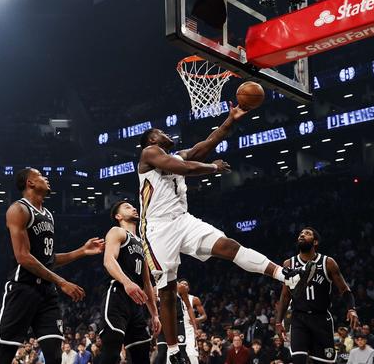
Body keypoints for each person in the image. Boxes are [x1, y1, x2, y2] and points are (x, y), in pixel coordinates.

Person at [137, 111, 305, 364]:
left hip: (183, 220)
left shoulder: (175, 154)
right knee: (168, 291)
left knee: (229, 246)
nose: (164, 133)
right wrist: (213, 167)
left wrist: (231, 119)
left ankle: (284, 275)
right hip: (157, 229)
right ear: (152, 140)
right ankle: (173, 351)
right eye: (159, 132)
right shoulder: (149, 153)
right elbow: (183, 168)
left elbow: (205, 144)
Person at [0, 168, 104, 364]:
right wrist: (61, 281)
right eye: (41, 176)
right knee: (5, 355)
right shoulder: (18, 210)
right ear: (30, 182)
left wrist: (81, 251)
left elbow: (48, 260)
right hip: (23, 289)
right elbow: (23, 257)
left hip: (46, 293)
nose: (46, 179)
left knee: (54, 355)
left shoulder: (48, 215)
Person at [276, 227, 359, 364]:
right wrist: (279, 321)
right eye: (300, 234)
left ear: (315, 242)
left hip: (321, 319)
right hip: (299, 318)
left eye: (307, 234)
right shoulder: (289, 264)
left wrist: (351, 309)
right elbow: (285, 296)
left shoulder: (328, 263)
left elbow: (344, 290)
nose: (302, 235)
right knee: (298, 360)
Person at [99, 201, 160, 364]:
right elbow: (108, 260)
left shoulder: (142, 243)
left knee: (142, 355)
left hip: (137, 304)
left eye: (133, 206)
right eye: (127, 207)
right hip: (117, 295)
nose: (133, 208)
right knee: (111, 352)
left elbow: (146, 282)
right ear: (118, 216)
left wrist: (154, 314)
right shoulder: (117, 232)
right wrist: (127, 282)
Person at [179, 279, 207, 364]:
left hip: (189, 329)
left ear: (189, 288)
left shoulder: (194, 299)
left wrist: (196, 320)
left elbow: (204, 316)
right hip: (177, 328)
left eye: (186, 284)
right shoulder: (174, 299)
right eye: (182, 284)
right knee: (176, 354)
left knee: (192, 354)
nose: (184, 286)